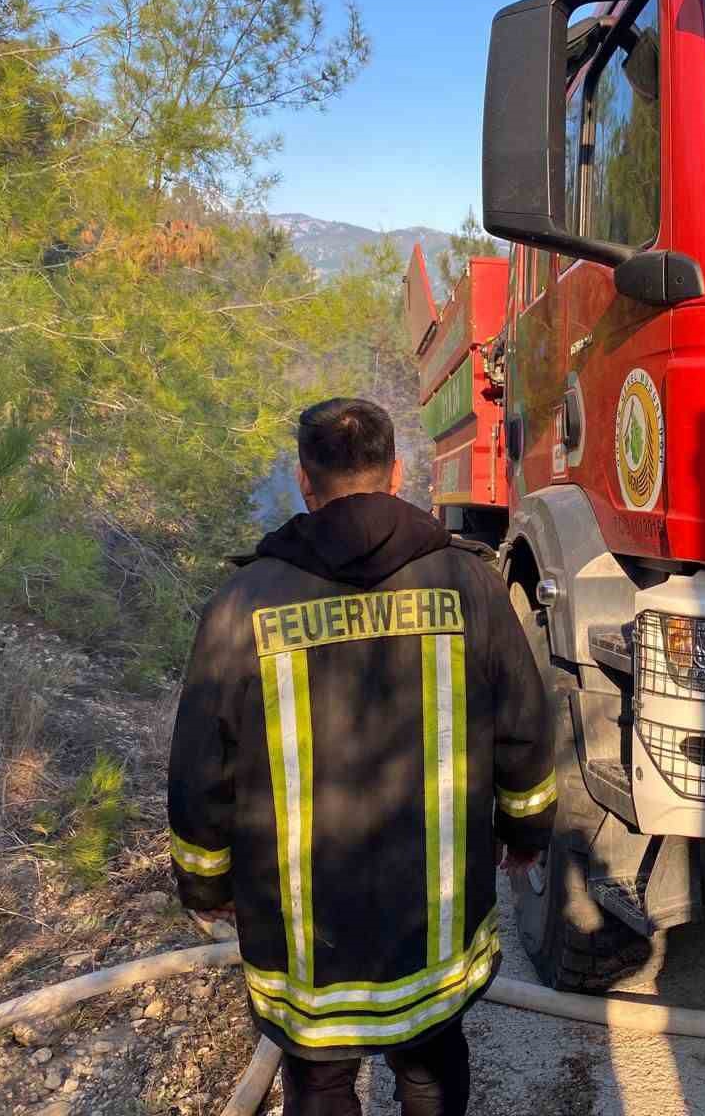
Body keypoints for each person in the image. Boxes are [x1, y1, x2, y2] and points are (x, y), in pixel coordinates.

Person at [167, 397, 555, 1116]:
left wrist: (206, 883)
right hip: (433, 922)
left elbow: (200, 770)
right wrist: (527, 831)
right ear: (399, 472)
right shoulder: (467, 582)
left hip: (303, 931)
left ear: (303, 481)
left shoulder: (242, 602)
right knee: (431, 1061)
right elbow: (525, 724)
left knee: (319, 1079)